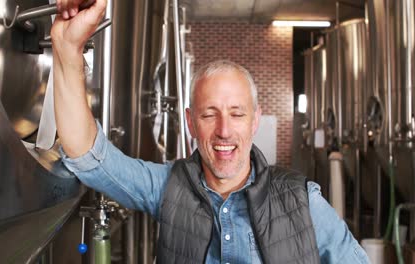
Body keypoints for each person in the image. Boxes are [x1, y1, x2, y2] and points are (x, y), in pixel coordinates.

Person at [52, 0, 370, 263]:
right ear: (190, 122)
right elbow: (90, 158)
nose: (224, 131)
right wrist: (68, 49)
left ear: (254, 121)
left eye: (237, 114)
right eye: (209, 114)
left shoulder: (303, 200)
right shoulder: (168, 188)